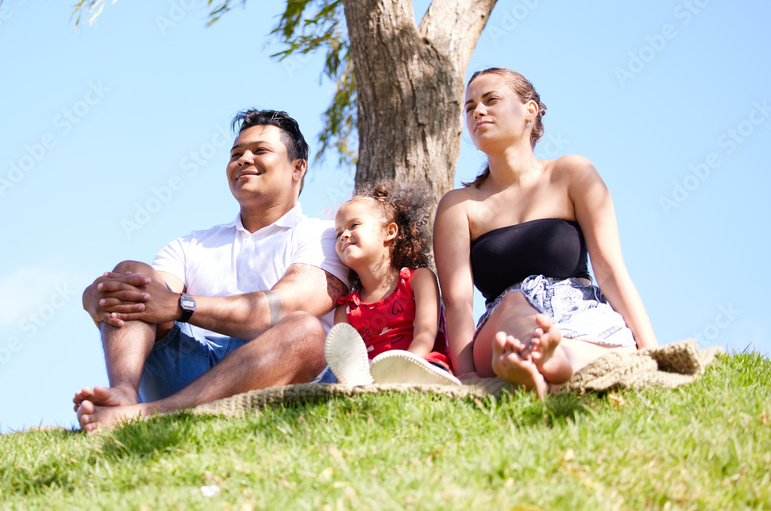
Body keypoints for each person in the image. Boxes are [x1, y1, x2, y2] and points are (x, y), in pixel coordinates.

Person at [73, 109, 349, 431]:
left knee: (306, 330)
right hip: (191, 373)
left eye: (260, 151)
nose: (244, 159)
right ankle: (122, 396)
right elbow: (145, 295)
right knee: (133, 272)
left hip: (277, 372)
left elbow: (286, 306)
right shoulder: (193, 244)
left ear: (297, 168)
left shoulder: (324, 235)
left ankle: (150, 416)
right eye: (236, 154)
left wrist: (180, 305)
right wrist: (97, 296)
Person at [433, 67, 658, 396]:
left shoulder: (571, 173)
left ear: (530, 111)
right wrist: (466, 376)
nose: (477, 111)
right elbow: (458, 303)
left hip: (581, 313)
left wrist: (652, 352)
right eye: (469, 108)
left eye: (490, 100)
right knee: (512, 303)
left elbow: (610, 270)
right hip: (504, 323)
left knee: (612, 354)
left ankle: (551, 365)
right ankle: (538, 357)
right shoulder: (459, 205)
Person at [324, 182, 458, 386]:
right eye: (338, 233)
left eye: (354, 225)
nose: (344, 235)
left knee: (434, 367)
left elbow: (425, 333)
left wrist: (403, 372)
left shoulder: (418, 279)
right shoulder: (346, 307)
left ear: (389, 232)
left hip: (420, 363)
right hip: (370, 379)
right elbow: (347, 359)